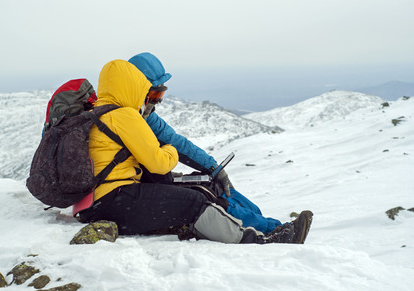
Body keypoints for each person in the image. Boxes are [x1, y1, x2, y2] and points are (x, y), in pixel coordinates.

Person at [77, 58, 307, 244]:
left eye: (160, 95)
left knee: (208, 185)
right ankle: (264, 235)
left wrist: (213, 168)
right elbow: (167, 152)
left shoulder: (116, 112)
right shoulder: (125, 115)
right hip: (121, 194)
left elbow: (176, 144)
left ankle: (267, 224)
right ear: (137, 87)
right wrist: (168, 151)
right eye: (154, 95)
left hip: (124, 190)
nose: (156, 103)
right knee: (200, 196)